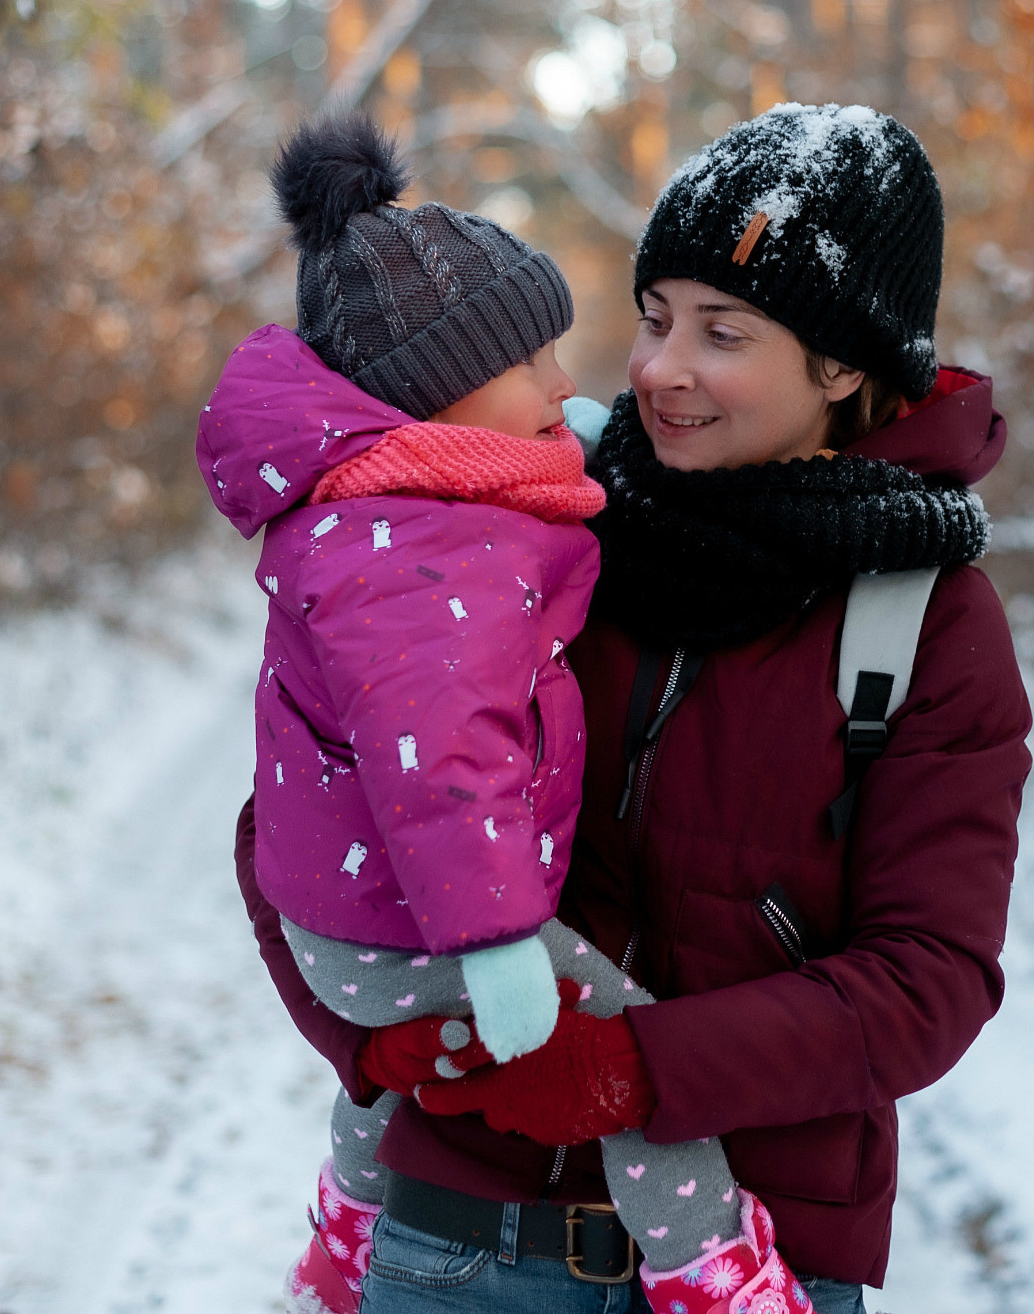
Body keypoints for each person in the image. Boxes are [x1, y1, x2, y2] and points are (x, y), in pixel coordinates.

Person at [235, 103, 1033, 1312]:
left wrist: (635, 1071)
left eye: (724, 332)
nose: (659, 367)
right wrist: (363, 1035)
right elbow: (297, 812)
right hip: (461, 1243)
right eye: (656, 317)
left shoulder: (925, 620)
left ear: (844, 361)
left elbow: (930, 977)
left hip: (767, 1248)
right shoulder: (529, 526)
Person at [196, 114, 814, 1313]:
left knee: (405, 1073)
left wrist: (566, 442)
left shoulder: (398, 500)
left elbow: (525, 477)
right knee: (622, 1047)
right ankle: (713, 1267)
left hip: (358, 919)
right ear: (439, 395)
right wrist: (493, 938)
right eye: (533, 363)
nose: (566, 382)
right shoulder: (415, 555)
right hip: (420, 924)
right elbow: (439, 760)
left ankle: (344, 1240)